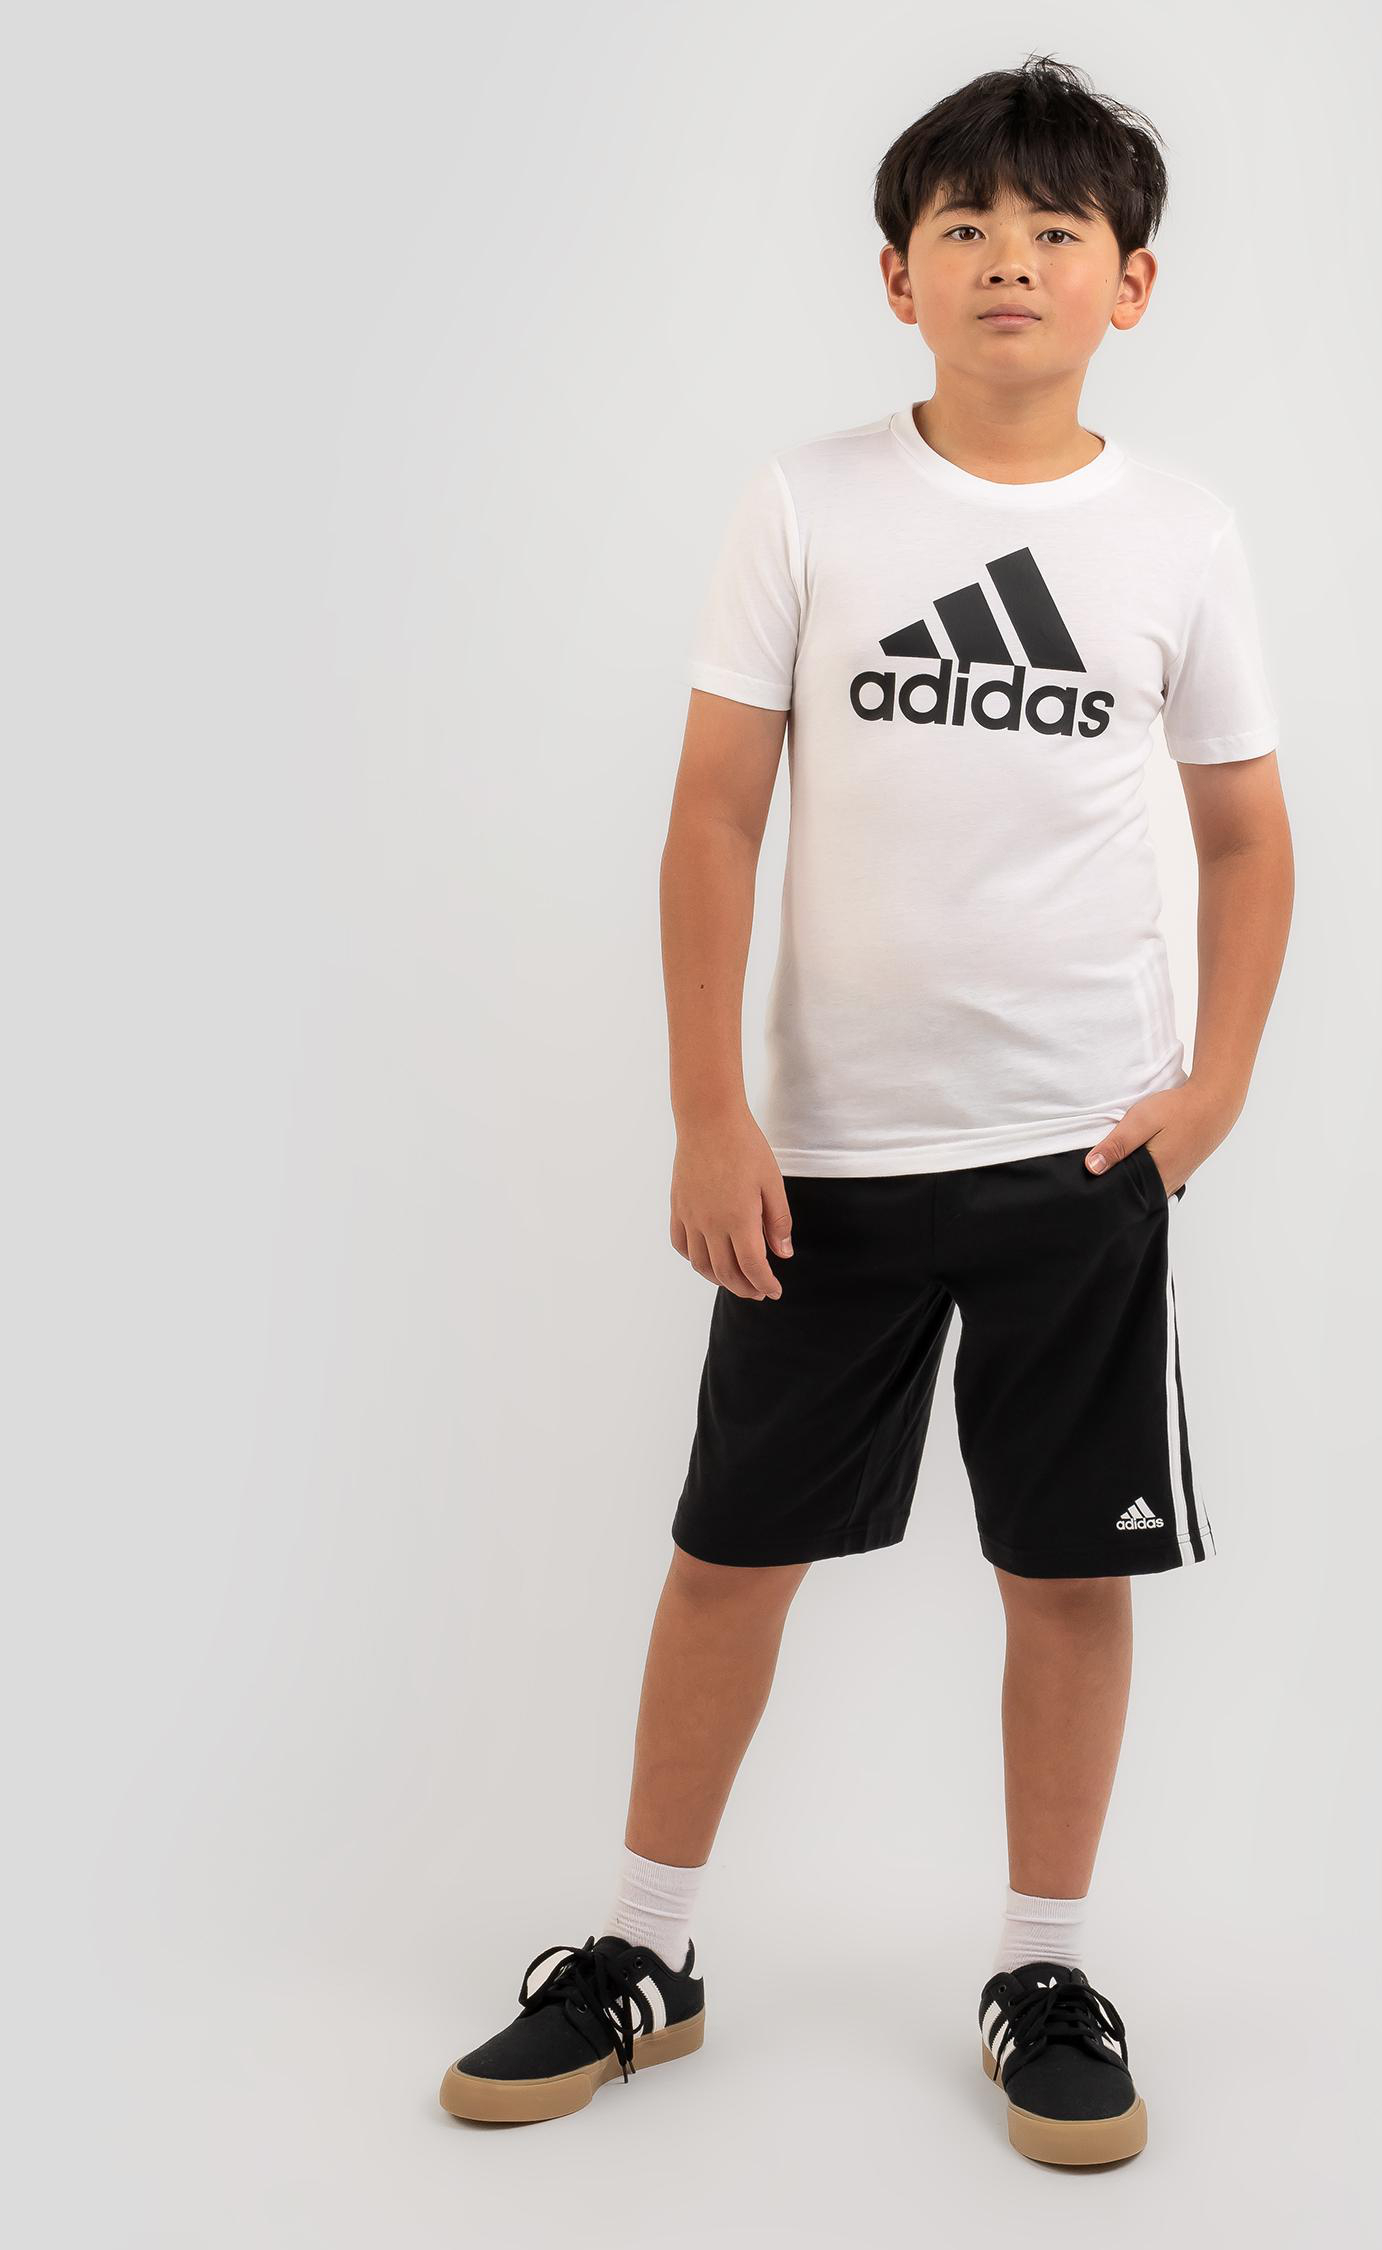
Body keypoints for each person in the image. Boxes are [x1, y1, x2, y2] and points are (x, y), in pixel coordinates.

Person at [438, 53, 1294, 2168]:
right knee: (728, 1554)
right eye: (964, 226)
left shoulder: (1179, 532)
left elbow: (1248, 835)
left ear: (1132, 283)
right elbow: (713, 818)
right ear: (896, 274)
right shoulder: (809, 503)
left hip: (1078, 1160)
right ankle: (647, 1949)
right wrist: (705, 1112)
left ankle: (1046, 1963)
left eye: (1056, 230)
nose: (1010, 258)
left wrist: (1210, 1093)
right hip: (821, 1162)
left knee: (1060, 1573)